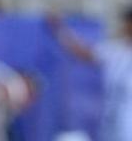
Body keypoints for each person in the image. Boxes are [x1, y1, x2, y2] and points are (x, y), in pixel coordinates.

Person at [51, 7, 132, 141]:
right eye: (127, 22)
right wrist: (60, 30)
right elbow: (84, 52)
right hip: (111, 114)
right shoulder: (115, 49)